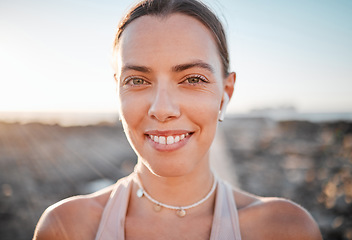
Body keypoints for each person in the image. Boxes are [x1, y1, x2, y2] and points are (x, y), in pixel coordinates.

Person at [33, 0, 322, 239]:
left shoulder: (285, 229)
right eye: (137, 80)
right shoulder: (65, 228)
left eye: (193, 79)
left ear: (225, 94)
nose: (162, 108)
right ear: (117, 90)